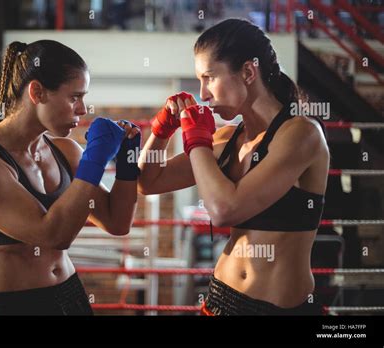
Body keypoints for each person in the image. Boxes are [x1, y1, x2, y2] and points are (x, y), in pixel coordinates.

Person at [138, 19, 329, 315]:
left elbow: (225, 209)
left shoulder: (301, 134)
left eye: (209, 78)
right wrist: (161, 131)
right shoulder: (227, 139)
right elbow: (148, 182)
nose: (203, 94)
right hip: (221, 299)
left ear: (248, 72)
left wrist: (196, 139)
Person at [0, 40, 141, 315]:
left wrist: (127, 162)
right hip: (16, 307)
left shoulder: (64, 150)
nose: (82, 109)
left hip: (71, 294)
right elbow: (53, 235)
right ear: (37, 92)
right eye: (74, 97)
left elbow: (117, 221)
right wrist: (96, 159)